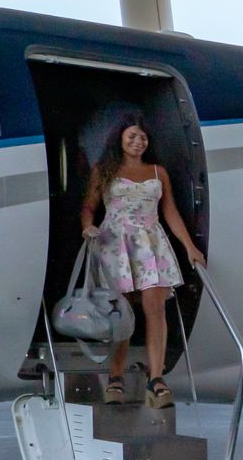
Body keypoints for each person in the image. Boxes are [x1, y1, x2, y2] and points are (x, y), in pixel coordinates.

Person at [79, 118, 205, 407]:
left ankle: (156, 378)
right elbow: (89, 206)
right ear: (120, 138)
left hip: (151, 242)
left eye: (143, 137)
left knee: (155, 306)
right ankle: (115, 375)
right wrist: (87, 226)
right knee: (121, 313)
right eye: (132, 135)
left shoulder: (158, 172)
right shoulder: (105, 170)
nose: (138, 141)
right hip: (116, 242)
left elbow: (170, 211)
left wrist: (189, 246)